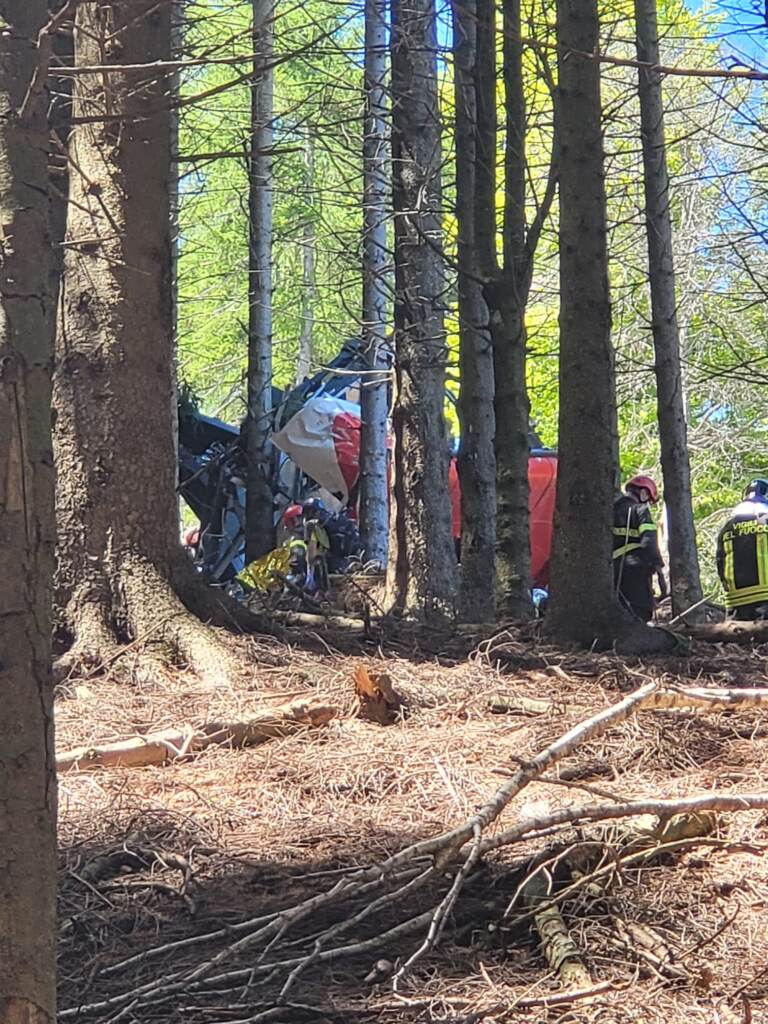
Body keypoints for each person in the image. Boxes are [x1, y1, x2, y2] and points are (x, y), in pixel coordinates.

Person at [613, 474, 666, 622]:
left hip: (614, 569)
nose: (648, 502)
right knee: (641, 610)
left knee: (622, 608)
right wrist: (658, 566)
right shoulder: (640, 510)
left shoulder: (611, 511)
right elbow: (648, 540)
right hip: (636, 568)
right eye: (648, 499)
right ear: (643, 493)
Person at [716, 478, 768, 621]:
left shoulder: (727, 527)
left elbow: (720, 562)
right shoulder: (764, 520)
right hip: (765, 599)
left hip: (735, 601)